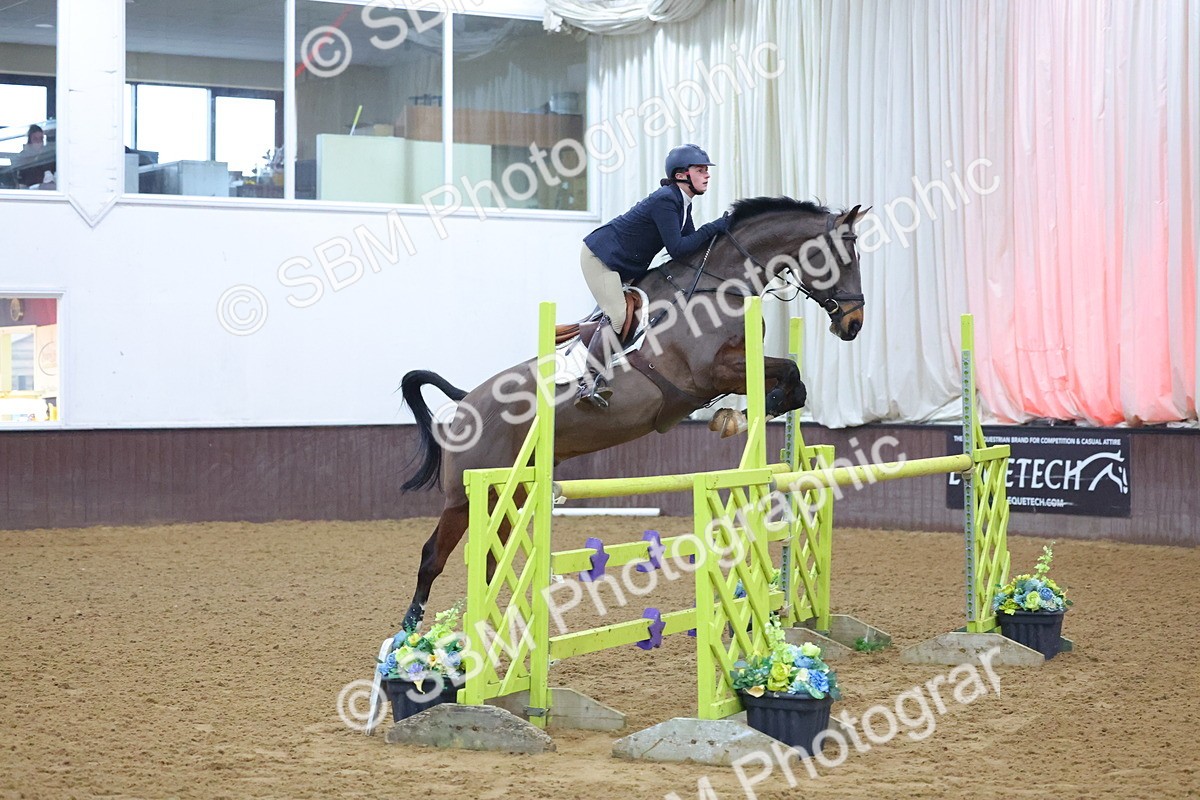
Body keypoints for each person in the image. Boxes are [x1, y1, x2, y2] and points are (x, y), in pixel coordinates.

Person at [576, 143, 730, 408]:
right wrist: (714, 226)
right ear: (682, 175)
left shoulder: (682, 202)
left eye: (707, 170)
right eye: (700, 170)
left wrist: (720, 235)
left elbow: (688, 248)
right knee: (618, 316)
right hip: (601, 259)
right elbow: (678, 247)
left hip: (622, 264)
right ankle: (588, 383)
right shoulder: (666, 200)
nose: (707, 175)